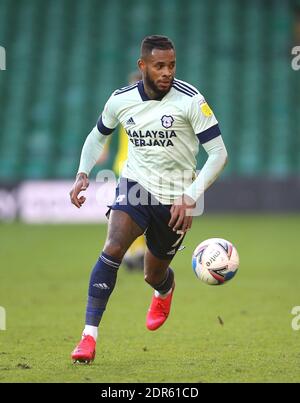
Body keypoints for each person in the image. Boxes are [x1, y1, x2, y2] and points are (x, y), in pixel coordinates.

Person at [69, 35, 228, 363]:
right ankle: (88, 336)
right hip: (136, 187)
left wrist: (190, 196)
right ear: (143, 66)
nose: (167, 71)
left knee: (152, 273)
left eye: (171, 65)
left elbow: (218, 154)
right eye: (159, 66)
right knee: (112, 249)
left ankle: (164, 290)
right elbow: (97, 136)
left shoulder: (191, 101)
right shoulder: (121, 100)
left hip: (177, 199)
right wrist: (83, 171)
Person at [96, 71, 146, 271]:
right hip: (127, 166)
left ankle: (135, 252)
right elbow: (105, 123)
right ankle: (135, 252)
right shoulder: (125, 105)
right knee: (133, 212)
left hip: (142, 167)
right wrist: (103, 148)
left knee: (135, 212)